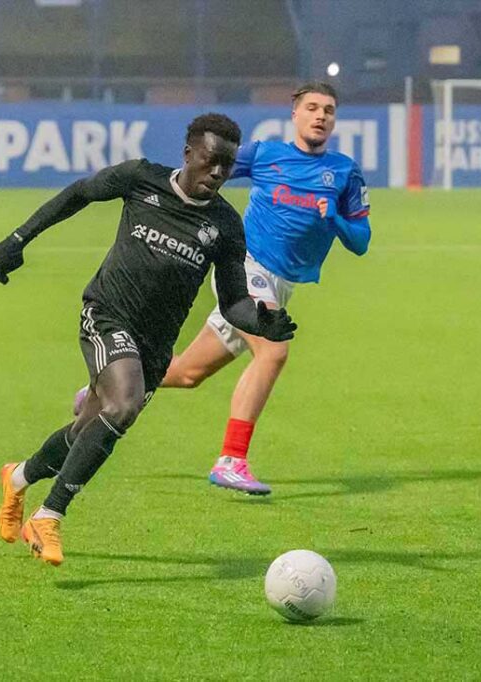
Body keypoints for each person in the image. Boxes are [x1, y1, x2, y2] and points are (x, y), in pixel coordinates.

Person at [0, 113, 296, 566]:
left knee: (85, 432)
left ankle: (18, 478)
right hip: (107, 315)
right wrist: (18, 238)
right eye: (211, 161)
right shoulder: (140, 179)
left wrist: (260, 321)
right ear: (189, 153)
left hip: (154, 348)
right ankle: (49, 514)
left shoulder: (226, 226)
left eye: (227, 166)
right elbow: (79, 193)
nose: (217, 173)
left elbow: (234, 303)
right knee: (123, 405)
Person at [77, 82, 371, 496]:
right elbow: (210, 166)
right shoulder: (268, 155)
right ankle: (232, 460)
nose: (320, 116)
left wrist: (335, 220)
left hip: (281, 285)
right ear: (296, 114)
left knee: (187, 373)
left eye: (328, 110)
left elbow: (361, 240)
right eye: (312, 108)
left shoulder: (344, 172)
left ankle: (99, 391)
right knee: (273, 352)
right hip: (246, 269)